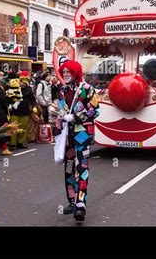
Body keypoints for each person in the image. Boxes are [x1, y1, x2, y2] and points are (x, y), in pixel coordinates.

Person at [55, 60, 100, 222]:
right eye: (64, 72)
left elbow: (95, 111)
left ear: (76, 73)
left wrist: (74, 117)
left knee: (81, 168)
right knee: (68, 168)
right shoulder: (61, 91)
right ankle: (72, 200)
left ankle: (80, 204)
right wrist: (58, 124)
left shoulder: (87, 89)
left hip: (82, 135)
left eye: (69, 72)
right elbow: (60, 112)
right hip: (67, 135)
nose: (66, 75)